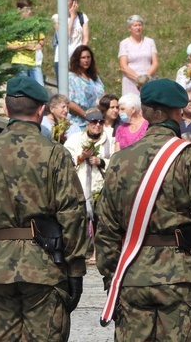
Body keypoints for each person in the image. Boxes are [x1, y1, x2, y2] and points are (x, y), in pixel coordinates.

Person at [95, 79, 191, 341]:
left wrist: (111, 277)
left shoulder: (119, 161)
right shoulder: (190, 158)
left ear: (147, 112)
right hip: (178, 277)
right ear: (177, 112)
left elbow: (105, 227)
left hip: (131, 274)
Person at [0, 77, 88, 340]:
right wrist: (75, 271)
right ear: (41, 110)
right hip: (45, 267)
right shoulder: (54, 153)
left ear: (6, 110)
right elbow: (72, 215)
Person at [64, 108, 111, 265]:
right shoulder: (75, 139)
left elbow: (117, 161)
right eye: (94, 122)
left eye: (100, 122)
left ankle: (97, 252)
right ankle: (81, 251)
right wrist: (81, 157)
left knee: (99, 220)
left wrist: (101, 161)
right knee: (80, 220)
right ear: (87, 123)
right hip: (81, 185)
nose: (97, 125)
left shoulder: (109, 139)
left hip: (100, 186)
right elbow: (66, 160)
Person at [7, 0, 45, 86]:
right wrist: (25, 46)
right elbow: (9, 46)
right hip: (20, 62)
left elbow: (42, 39)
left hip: (34, 62)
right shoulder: (13, 25)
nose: (29, 12)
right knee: (24, 88)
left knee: (40, 88)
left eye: (31, 9)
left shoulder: (36, 23)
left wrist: (40, 44)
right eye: (26, 10)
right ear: (19, 10)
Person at [52, 0, 90, 75]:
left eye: (66, 1)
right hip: (61, 60)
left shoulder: (83, 17)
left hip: (77, 60)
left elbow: (86, 39)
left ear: (74, 2)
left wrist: (80, 56)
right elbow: (64, 38)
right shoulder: (57, 17)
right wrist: (72, 18)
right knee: (63, 88)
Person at [118, 14, 158, 96]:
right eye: (135, 25)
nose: (138, 28)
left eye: (140, 25)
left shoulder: (150, 42)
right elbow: (123, 66)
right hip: (131, 82)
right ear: (129, 28)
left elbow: (155, 63)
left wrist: (146, 78)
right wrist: (139, 79)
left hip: (148, 81)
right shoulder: (124, 43)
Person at [68, 45, 105, 130]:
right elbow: (69, 102)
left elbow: (102, 93)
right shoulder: (71, 77)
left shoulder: (94, 76)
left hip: (97, 121)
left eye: (88, 57)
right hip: (79, 123)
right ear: (77, 59)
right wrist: (87, 116)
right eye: (83, 57)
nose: (86, 60)